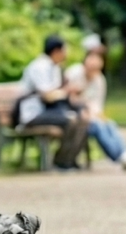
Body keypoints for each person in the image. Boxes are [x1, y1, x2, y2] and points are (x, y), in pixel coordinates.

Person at [66, 39, 126, 170]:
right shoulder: (74, 73)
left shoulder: (99, 80)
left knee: (109, 124)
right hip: (75, 114)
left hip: (91, 115)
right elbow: (67, 96)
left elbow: (97, 105)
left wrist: (96, 115)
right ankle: (120, 157)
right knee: (98, 127)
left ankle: (124, 153)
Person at [19, 34, 92, 170]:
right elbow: (47, 95)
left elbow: (58, 92)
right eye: (65, 50)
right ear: (56, 51)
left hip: (51, 110)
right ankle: (60, 161)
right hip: (34, 113)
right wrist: (66, 91)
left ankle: (69, 159)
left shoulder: (55, 67)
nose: (66, 54)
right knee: (71, 120)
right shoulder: (39, 67)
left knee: (83, 118)